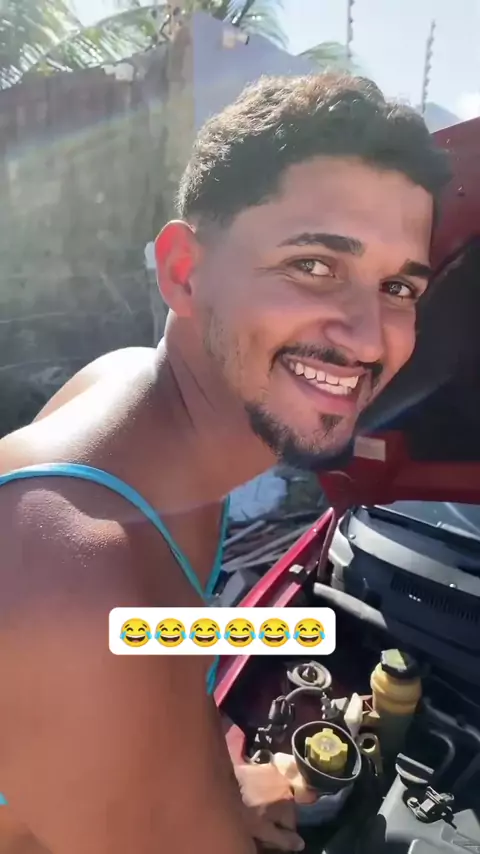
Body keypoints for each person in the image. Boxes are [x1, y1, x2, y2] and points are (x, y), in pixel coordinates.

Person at [0, 72, 449, 854]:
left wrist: (212, 769)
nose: (368, 335)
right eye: (314, 264)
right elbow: (106, 637)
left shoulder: (129, 397)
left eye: (398, 285)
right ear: (184, 272)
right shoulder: (82, 576)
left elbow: (146, 635)